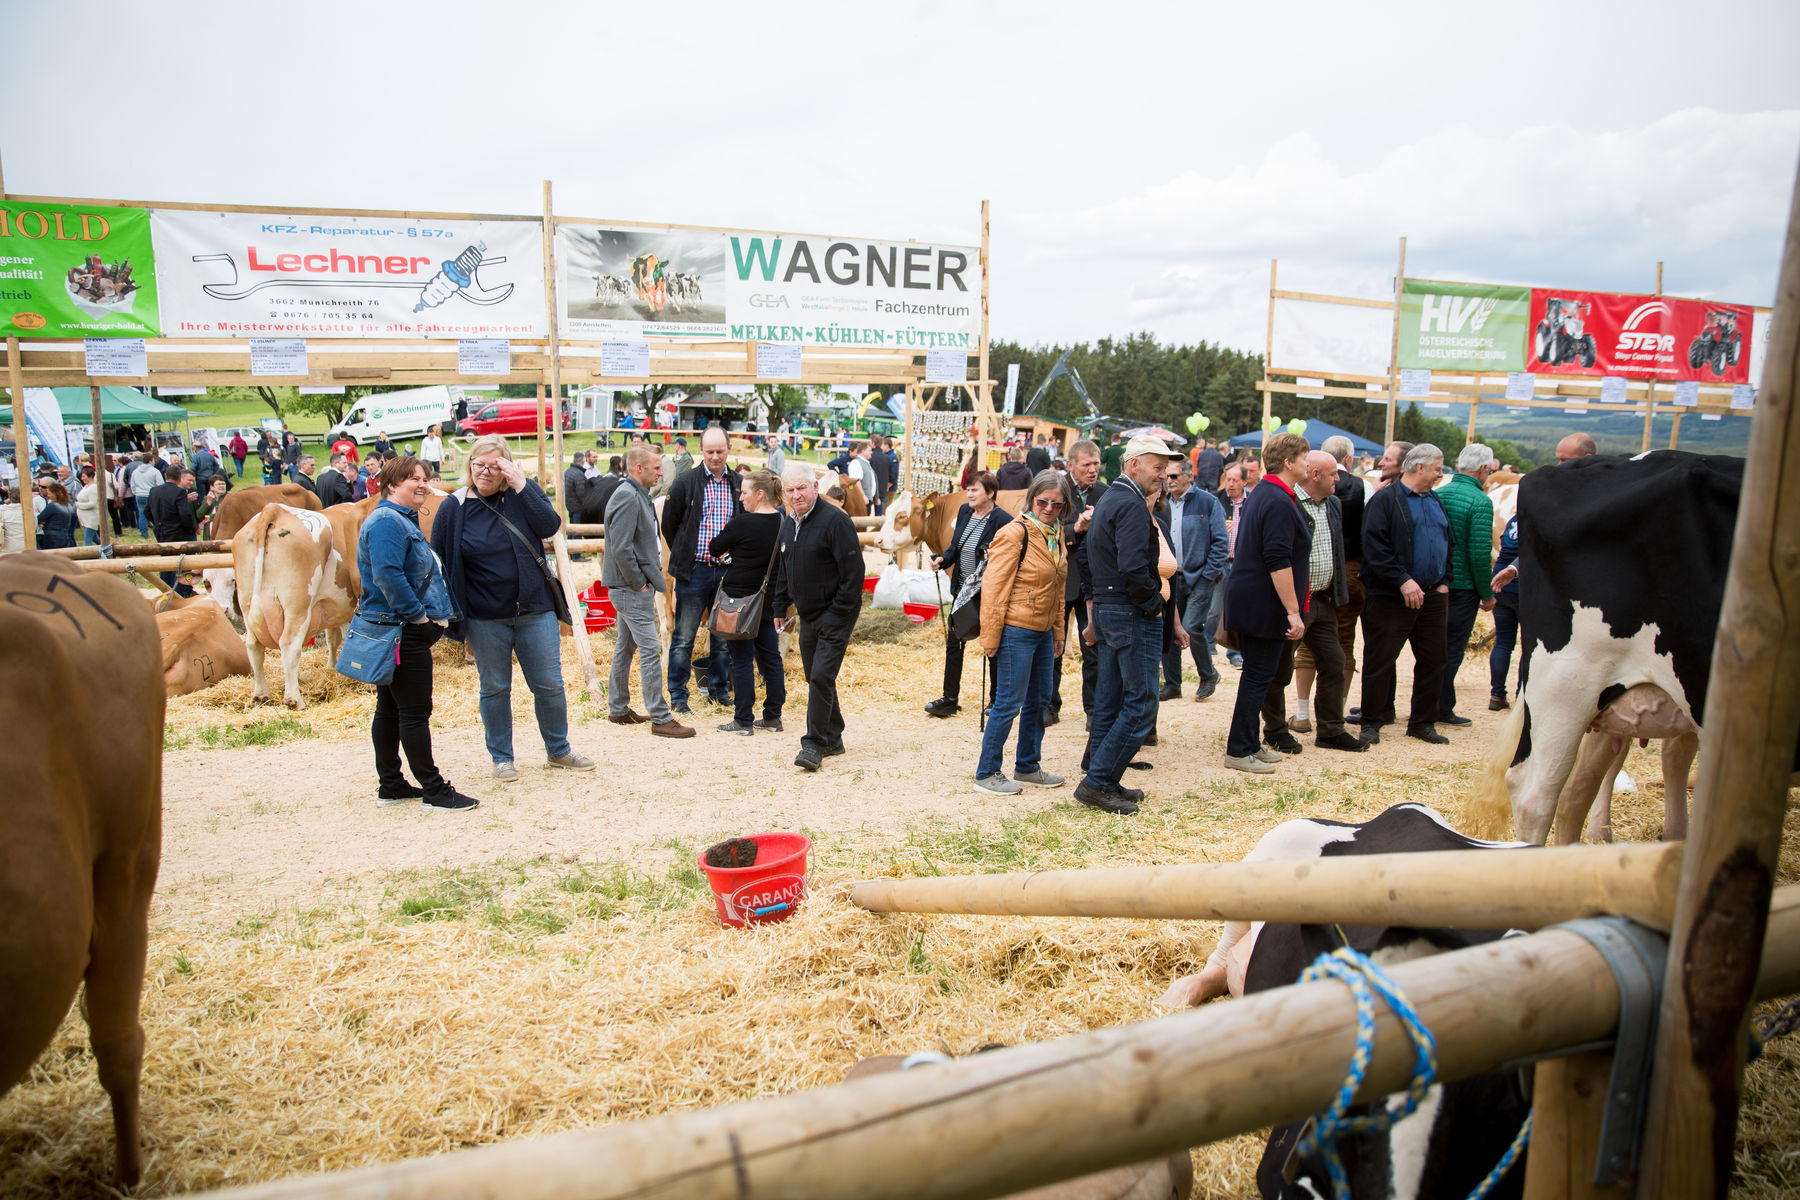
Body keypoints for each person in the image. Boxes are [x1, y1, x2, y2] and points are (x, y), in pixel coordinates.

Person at [431, 435, 594, 781]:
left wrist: (523, 484)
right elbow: (441, 558)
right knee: (495, 687)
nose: (485, 473)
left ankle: (559, 750)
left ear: (506, 468)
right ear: (469, 466)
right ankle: (502, 757)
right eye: (479, 466)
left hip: (535, 610)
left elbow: (551, 525)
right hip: (485, 616)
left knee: (549, 683)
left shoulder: (522, 495)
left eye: (494, 466)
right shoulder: (454, 507)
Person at [354, 456, 477, 812]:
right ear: (391, 485)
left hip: (394, 627)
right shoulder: (387, 523)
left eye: (424, 479)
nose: (423, 485)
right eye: (413, 480)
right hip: (402, 629)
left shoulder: (393, 520)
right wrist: (420, 620)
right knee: (414, 711)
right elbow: (389, 577)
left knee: (391, 708)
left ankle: (391, 784)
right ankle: (434, 790)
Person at [1078, 435, 1178, 814]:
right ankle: (1099, 781)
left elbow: (1094, 559)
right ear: (1133, 464)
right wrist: (1153, 604)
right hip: (1129, 611)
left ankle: (1103, 776)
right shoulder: (1132, 505)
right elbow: (1134, 567)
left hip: (1109, 608)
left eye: (1166, 468)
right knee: (1140, 704)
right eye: (1158, 467)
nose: (1164, 475)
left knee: (1110, 699)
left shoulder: (1108, 500)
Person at [1219, 432, 1312, 773]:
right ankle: (1239, 749)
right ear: (1289, 462)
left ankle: (1249, 742)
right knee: (1258, 675)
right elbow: (1278, 560)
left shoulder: (1269, 493)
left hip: (1257, 600)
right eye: (1304, 458)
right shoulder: (1275, 499)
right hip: (1264, 603)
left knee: (1260, 675)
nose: (1307, 463)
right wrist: (1292, 611)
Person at [972, 472, 1070, 794]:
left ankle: (1028, 765)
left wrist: (1058, 632)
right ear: (1032, 499)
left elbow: (1059, 589)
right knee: (1008, 701)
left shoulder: (1056, 534)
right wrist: (991, 637)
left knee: (1039, 700)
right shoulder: (1014, 534)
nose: (1049, 508)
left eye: (1057, 504)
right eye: (1043, 502)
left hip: (1042, 631)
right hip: (1016, 629)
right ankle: (987, 772)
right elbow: (994, 588)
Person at [1265, 451, 1366, 755]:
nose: (1339, 478)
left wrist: (1338, 593)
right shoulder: (1288, 502)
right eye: (1333, 473)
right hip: (1295, 602)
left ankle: (1331, 730)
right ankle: (1275, 730)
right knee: (1279, 669)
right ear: (1315, 475)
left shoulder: (1333, 504)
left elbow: (1336, 550)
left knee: (1334, 662)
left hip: (1323, 599)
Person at [769, 461, 864, 772]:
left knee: (822, 675)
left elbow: (853, 576)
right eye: (790, 490)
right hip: (808, 613)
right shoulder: (788, 524)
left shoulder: (836, 522)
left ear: (815, 487)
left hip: (837, 612)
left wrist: (837, 613)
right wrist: (779, 607)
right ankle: (834, 736)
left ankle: (814, 743)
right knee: (815, 675)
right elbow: (783, 570)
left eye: (802, 488)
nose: (796, 495)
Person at [1358, 444, 1454, 746]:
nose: (1441, 473)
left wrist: (1445, 581)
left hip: (1433, 596)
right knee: (1380, 660)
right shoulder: (1385, 501)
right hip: (1391, 597)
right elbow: (1374, 547)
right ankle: (1372, 721)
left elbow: (1447, 542)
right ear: (1419, 468)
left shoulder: (1435, 500)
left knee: (1434, 660)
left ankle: (1422, 722)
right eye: (1438, 467)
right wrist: (1402, 580)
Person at [603, 443, 693, 738]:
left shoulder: (635, 494)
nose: (660, 472)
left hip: (628, 585)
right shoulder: (628, 497)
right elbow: (621, 547)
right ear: (638, 468)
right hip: (630, 587)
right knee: (651, 649)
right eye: (656, 468)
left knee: (625, 647)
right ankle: (660, 716)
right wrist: (638, 582)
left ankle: (618, 707)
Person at [661, 427, 743, 714]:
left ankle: (719, 690)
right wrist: (685, 553)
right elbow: (669, 524)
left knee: (722, 637)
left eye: (720, 451)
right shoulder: (686, 482)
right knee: (684, 636)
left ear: (729, 449)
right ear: (701, 450)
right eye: (710, 452)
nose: (715, 457)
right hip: (695, 570)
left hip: (726, 572)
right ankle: (678, 695)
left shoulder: (738, 484)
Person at [923, 472, 1012, 719]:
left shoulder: (1004, 521)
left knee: (992, 647)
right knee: (954, 644)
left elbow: (1009, 556)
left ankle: (996, 701)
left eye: (974, 490)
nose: (969, 494)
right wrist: (943, 559)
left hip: (988, 594)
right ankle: (950, 699)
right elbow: (955, 547)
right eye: (968, 490)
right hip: (962, 592)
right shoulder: (965, 512)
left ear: (990, 493)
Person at [708, 469, 788, 735]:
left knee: (741, 660)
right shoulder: (782, 521)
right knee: (771, 658)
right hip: (768, 599)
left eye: (744, 492)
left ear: (759, 494)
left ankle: (743, 719)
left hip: (739, 601)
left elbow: (715, 547)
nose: (740, 498)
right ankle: (773, 716)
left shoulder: (742, 523)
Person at [1436, 443, 1495, 727]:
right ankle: (1442, 707)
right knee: (1453, 648)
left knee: (1434, 646)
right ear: (1483, 469)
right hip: (1464, 587)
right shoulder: (1481, 501)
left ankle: (1430, 703)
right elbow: (1479, 553)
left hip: (1437, 582)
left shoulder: (1439, 493)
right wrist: (1487, 593)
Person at [1162, 456, 1227, 701]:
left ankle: (1208, 673)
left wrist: (1208, 575)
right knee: (1169, 628)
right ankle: (1172, 683)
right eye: (1166, 476)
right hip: (1171, 576)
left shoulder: (1207, 502)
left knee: (1190, 626)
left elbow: (1221, 542)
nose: (1169, 481)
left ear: (1190, 476)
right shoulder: (1163, 504)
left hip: (1200, 576)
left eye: (1174, 476)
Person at [1050, 440, 1104, 724]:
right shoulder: (1055, 491)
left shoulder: (1105, 493)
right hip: (1061, 580)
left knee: (1092, 648)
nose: (1093, 470)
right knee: (1055, 646)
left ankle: (1093, 710)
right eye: (1086, 465)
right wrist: (1076, 528)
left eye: (1096, 464)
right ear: (1070, 465)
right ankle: (1049, 706)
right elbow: (1045, 529)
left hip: (1093, 584)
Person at [1206, 464, 1249, 670]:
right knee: (1215, 608)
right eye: (1228, 479)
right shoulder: (1216, 500)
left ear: (1244, 482)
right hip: (1221, 561)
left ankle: (1235, 652)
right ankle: (1207, 643)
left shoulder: (1251, 502)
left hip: (1242, 563)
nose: (1230, 484)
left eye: (1235, 480)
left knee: (1239, 608)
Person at [145, 466, 199, 594]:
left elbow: (146, 511)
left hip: (161, 531)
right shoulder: (179, 492)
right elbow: (185, 515)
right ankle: (181, 592)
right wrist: (190, 528)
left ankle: (165, 590)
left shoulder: (154, 490)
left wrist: (157, 523)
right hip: (178, 533)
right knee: (181, 564)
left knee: (165, 563)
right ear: (180, 478)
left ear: (165, 476)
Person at [1489, 512, 1522, 711]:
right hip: (1522, 588)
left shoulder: (1512, 521)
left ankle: (1497, 695)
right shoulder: (1537, 519)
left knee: (1502, 643)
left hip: (1500, 588)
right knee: (1527, 647)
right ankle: (1521, 696)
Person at [34, 479, 77, 549]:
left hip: (52, 537)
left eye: (49, 493)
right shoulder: (68, 506)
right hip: (65, 536)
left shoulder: (53, 506)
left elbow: (39, 519)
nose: (48, 495)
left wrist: (37, 514)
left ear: (54, 494)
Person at [129, 453, 162, 537]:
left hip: (139, 494)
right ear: (150, 461)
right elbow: (160, 484)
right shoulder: (155, 471)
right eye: (154, 460)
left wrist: (135, 492)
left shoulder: (136, 471)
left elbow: (132, 484)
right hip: (151, 495)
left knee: (142, 514)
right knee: (155, 513)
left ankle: (144, 533)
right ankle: (158, 530)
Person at [74, 466, 103, 546]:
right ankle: (107, 548)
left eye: (84, 476)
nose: (82, 479)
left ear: (90, 476)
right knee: (95, 538)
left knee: (87, 539)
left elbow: (92, 504)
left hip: (91, 519)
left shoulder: (93, 488)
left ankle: (89, 556)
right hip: (85, 519)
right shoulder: (85, 487)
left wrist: (78, 505)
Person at [846, 442, 879, 510]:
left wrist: (875, 497)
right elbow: (856, 481)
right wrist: (863, 496)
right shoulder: (856, 463)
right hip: (861, 501)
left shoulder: (865, 463)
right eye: (869, 450)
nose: (871, 452)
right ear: (863, 451)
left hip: (868, 500)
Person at [868, 434, 894, 514]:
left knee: (866, 514)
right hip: (882, 490)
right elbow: (892, 477)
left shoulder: (869, 457)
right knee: (878, 516)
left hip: (869, 490)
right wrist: (887, 486)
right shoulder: (887, 458)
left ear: (873, 443)